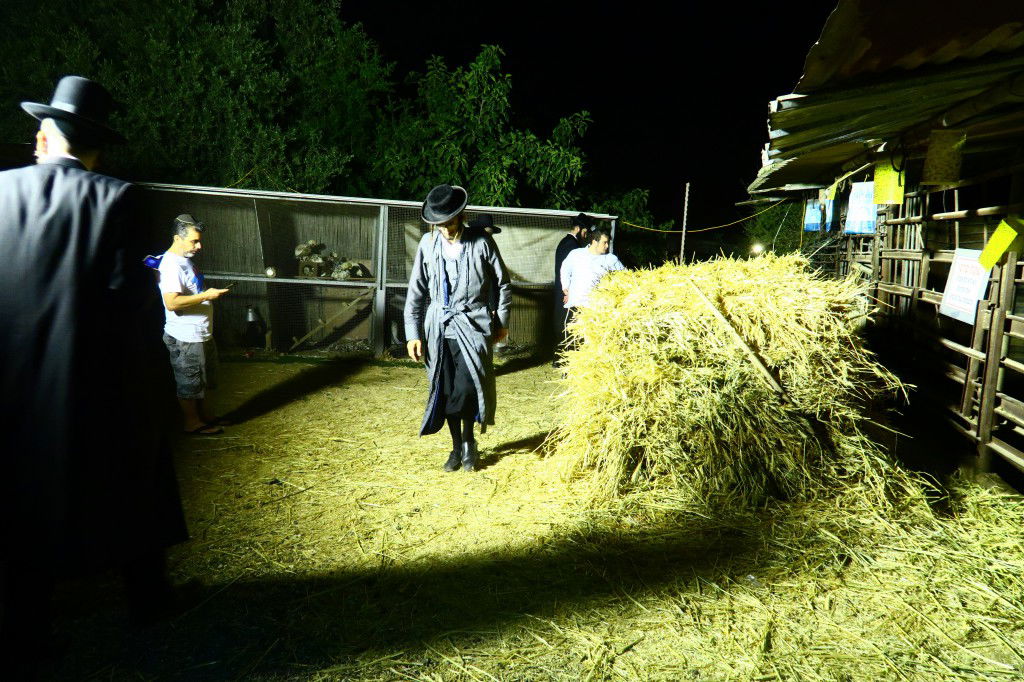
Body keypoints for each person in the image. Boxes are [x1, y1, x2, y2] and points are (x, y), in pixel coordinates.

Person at [0, 76, 188, 664]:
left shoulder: (1, 191)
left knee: (21, 496)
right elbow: (130, 302)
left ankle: (27, 627)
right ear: (97, 146)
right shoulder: (117, 198)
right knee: (138, 476)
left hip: (14, 385)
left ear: (46, 136)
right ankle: (147, 597)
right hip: (92, 380)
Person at [405, 185, 511, 472]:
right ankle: (457, 448)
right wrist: (413, 334)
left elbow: (502, 283)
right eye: (439, 225)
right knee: (446, 388)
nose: (445, 230)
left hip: (474, 326)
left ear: (461, 216)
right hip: (439, 328)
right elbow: (416, 291)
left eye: (450, 224)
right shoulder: (427, 244)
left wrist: (501, 322)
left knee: (465, 387)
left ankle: (469, 440)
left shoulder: (482, 242)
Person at [158, 214, 230, 435]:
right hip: (186, 336)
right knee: (189, 382)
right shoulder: (172, 265)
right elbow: (172, 303)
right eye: (194, 241)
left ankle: (206, 417)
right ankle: (192, 423)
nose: (199, 246)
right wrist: (206, 295)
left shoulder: (183, 259)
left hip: (200, 333)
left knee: (205, 379)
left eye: (199, 241)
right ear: (177, 238)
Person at [558, 227, 626, 345]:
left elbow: (625, 275)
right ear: (594, 241)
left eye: (608, 243)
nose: (607, 246)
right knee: (571, 341)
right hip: (576, 305)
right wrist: (565, 287)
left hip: (597, 309)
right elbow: (565, 269)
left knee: (592, 342)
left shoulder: (611, 259)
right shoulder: (576, 254)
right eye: (604, 242)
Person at [553, 212, 593, 362]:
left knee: (565, 325)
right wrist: (568, 291)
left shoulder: (567, 242)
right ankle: (562, 360)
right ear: (578, 229)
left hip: (564, 290)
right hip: (567, 292)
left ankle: (561, 359)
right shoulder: (571, 245)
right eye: (585, 232)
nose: (585, 236)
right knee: (566, 325)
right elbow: (567, 271)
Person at [468, 213, 508, 351]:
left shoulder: (489, 245)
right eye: (487, 232)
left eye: (490, 233)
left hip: (486, 300)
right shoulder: (473, 245)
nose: (488, 235)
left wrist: (493, 305)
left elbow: (497, 280)